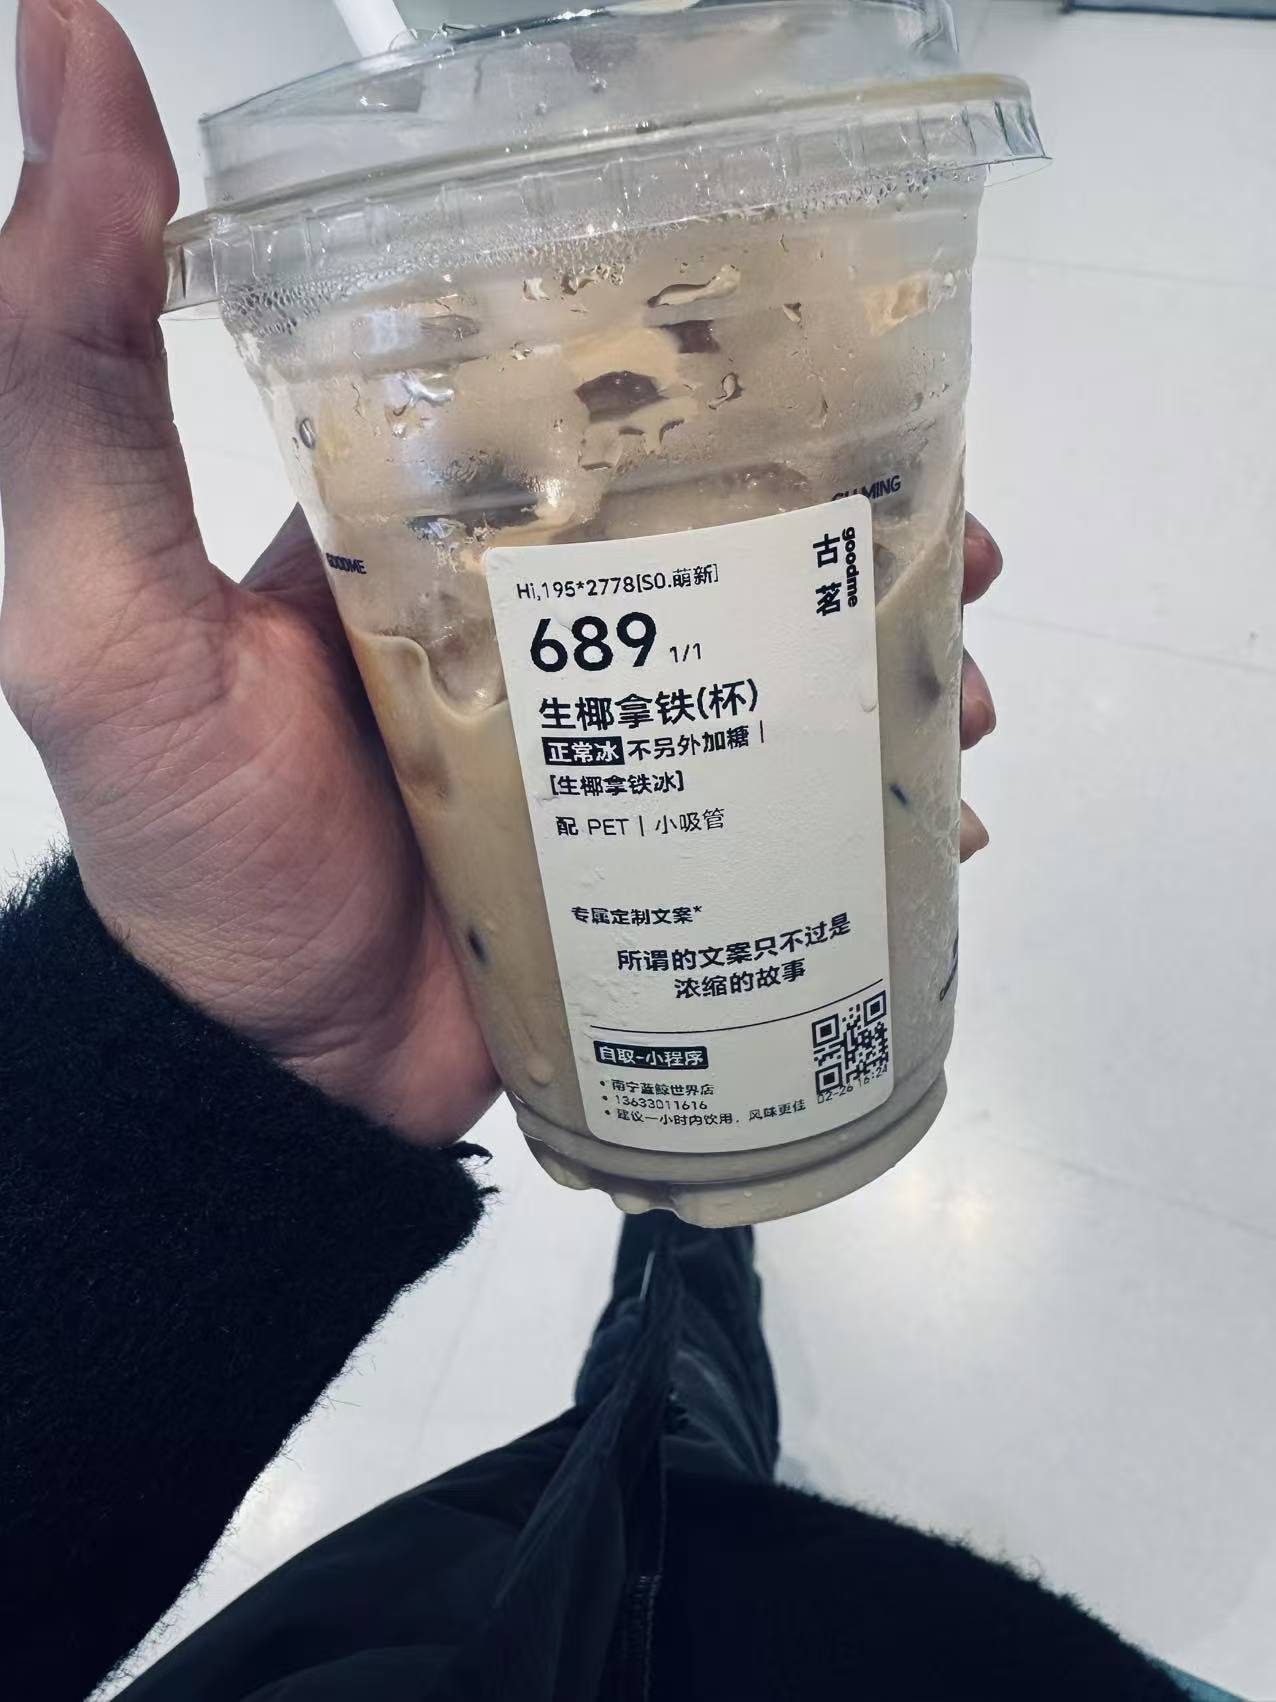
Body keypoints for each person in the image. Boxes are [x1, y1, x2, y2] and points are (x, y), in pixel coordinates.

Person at [0, 3, 1239, 1700]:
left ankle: (674, 1349)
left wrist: (216, 1053)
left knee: (658, 1428)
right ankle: (684, 1336)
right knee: (685, 1425)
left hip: (447, 1618)